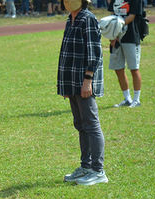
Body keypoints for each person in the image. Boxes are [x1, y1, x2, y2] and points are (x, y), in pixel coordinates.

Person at [58, 0, 108, 186]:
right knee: (80, 124)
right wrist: (66, 87)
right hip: (72, 82)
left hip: (83, 81)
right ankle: (86, 167)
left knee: (91, 123)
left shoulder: (88, 19)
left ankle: (98, 170)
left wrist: (88, 79)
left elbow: (94, 53)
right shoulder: (71, 19)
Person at [108, 0, 143, 108]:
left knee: (134, 69)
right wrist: (112, 35)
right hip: (116, 38)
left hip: (131, 37)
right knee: (118, 69)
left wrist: (116, 29)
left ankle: (136, 99)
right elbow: (112, 15)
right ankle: (127, 98)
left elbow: (131, 16)